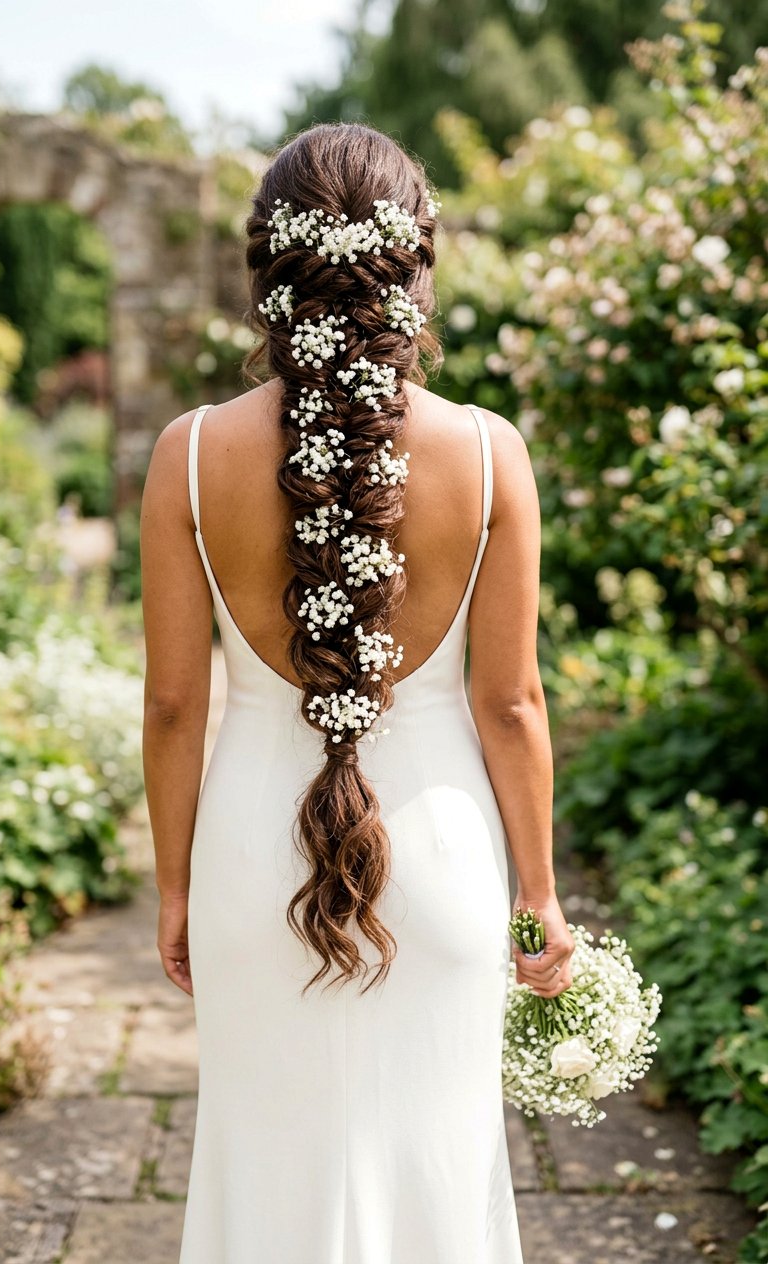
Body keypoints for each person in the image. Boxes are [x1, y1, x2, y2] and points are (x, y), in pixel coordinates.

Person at [140, 120, 575, 1264]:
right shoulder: (489, 454)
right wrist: (540, 894)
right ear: (413, 265)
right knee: (437, 1175)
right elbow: (510, 705)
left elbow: (177, 704)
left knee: (265, 1172)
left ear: (266, 274)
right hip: (434, 868)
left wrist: (178, 886)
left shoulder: (188, 454)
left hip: (250, 863)